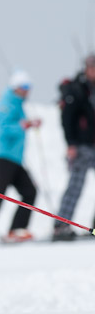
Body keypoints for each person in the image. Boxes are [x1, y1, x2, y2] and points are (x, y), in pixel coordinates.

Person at [0, 71, 41, 244]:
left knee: (30, 191)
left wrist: (27, 124)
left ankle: (17, 229)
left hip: (15, 159)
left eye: (29, 87)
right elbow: (3, 128)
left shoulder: (18, 105)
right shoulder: (6, 103)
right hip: (2, 156)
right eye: (24, 87)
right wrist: (23, 125)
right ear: (16, 87)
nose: (27, 91)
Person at [53, 54, 95, 241]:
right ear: (85, 68)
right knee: (75, 186)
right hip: (80, 146)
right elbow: (67, 119)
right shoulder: (77, 89)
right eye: (92, 66)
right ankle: (61, 225)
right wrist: (71, 143)